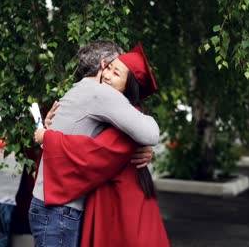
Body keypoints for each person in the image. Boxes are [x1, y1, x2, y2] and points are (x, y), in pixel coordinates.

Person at [35, 43, 170, 246]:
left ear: (128, 86)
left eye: (116, 73)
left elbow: (91, 152)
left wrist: (48, 137)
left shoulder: (116, 112)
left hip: (119, 211)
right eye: (108, 68)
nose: (106, 75)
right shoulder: (113, 111)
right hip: (69, 210)